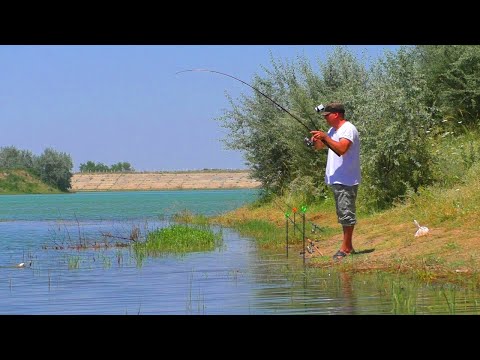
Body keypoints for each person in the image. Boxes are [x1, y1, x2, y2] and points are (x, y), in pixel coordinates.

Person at [310, 102, 361, 260]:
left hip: (347, 178)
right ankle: (348, 246)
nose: (325, 118)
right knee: (342, 213)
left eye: (327, 115)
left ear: (336, 114)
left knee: (346, 214)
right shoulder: (333, 130)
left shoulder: (348, 129)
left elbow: (341, 149)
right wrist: (317, 141)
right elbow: (320, 147)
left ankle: (345, 248)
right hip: (337, 180)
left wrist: (325, 137)